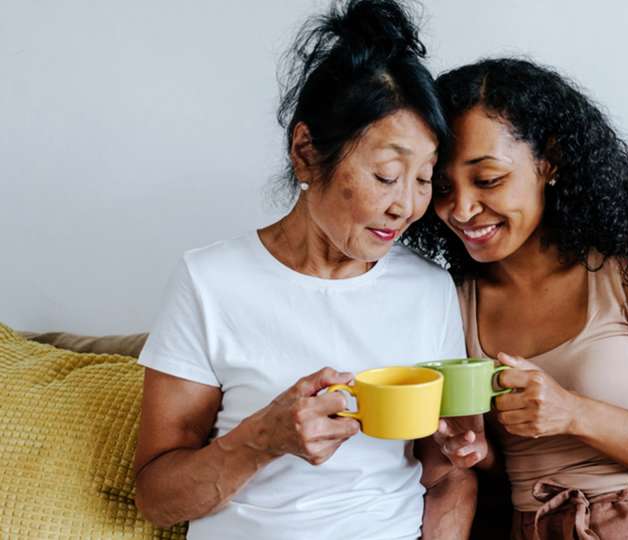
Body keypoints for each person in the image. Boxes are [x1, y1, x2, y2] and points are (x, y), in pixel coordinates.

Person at [132, 2, 475, 538]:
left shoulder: (429, 290)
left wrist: (456, 449)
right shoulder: (210, 282)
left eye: (424, 179)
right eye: (386, 175)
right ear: (306, 152)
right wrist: (261, 439)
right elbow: (157, 498)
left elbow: (448, 478)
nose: (406, 206)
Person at [404, 58, 628, 539]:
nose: (461, 209)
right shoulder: (451, 299)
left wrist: (572, 412)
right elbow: (495, 470)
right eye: (442, 187)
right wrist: (471, 451)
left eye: (488, 180)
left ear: (548, 161)